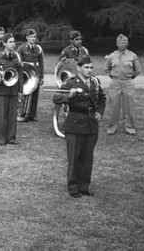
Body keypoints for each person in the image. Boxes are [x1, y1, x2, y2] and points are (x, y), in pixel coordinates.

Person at [52, 55, 106, 198]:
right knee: (75, 157)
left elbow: (102, 98)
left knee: (88, 157)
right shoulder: (70, 83)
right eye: (86, 67)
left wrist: (100, 112)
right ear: (79, 68)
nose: (89, 70)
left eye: (91, 67)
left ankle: (84, 186)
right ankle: (73, 187)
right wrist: (69, 96)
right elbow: (56, 98)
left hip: (91, 124)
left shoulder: (95, 81)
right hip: (75, 124)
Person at [0, 33, 23, 146]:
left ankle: (11, 138)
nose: (13, 44)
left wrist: (20, 91)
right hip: (1, 90)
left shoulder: (17, 56)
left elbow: (20, 75)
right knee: (1, 116)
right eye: (10, 42)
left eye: (14, 42)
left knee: (12, 116)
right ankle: (1, 139)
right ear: (5, 43)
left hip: (13, 90)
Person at [105, 34, 141, 136]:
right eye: (119, 42)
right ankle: (112, 127)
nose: (121, 44)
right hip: (115, 83)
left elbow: (137, 70)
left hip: (128, 83)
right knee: (114, 106)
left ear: (127, 43)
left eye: (123, 42)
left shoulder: (132, 56)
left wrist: (130, 78)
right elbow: (107, 69)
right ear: (116, 44)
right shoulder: (112, 56)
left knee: (129, 106)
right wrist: (113, 77)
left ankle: (130, 127)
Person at [16, 29, 44, 122]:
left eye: (34, 37)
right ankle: (22, 113)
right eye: (31, 37)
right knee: (25, 93)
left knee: (35, 94)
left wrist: (42, 76)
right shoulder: (22, 48)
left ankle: (33, 114)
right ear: (27, 37)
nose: (33, 38)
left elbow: (41, 63)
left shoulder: (38, 48)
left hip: (35, 73)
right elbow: (18, 61)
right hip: (26, 73)